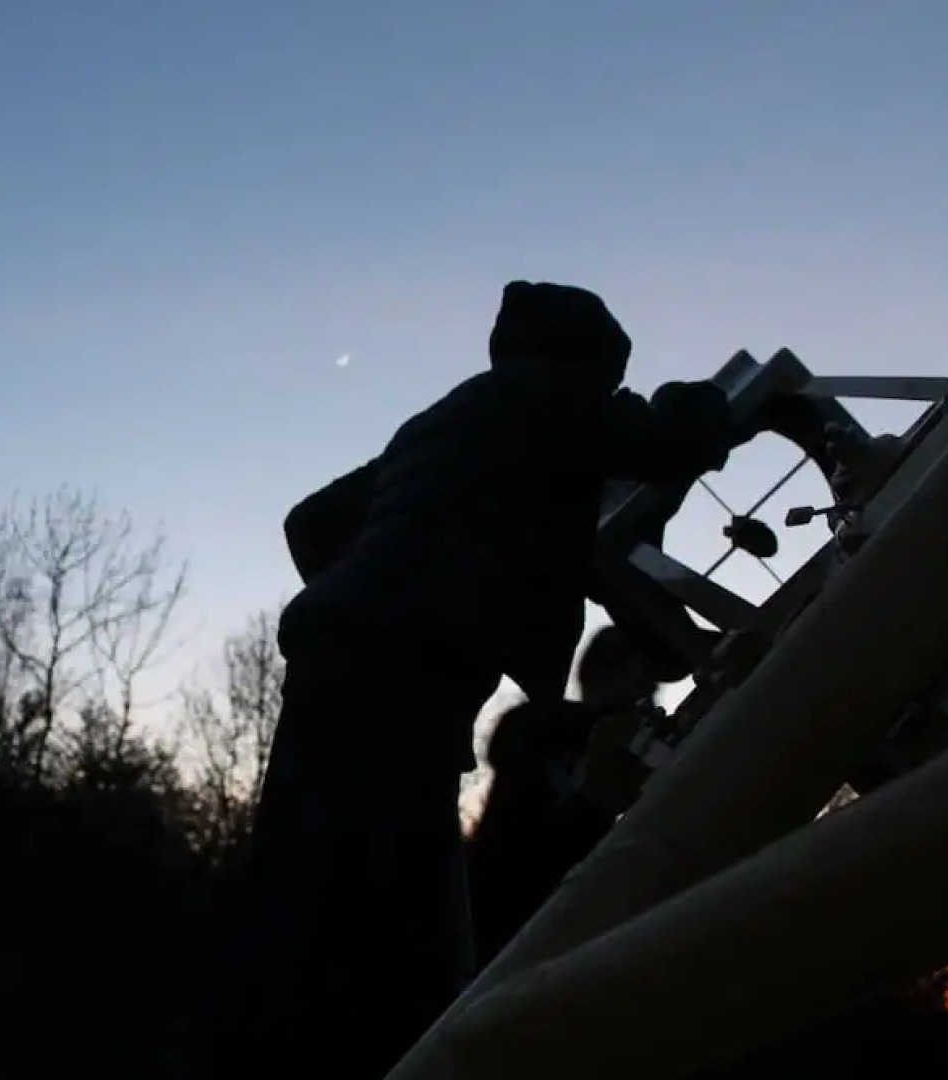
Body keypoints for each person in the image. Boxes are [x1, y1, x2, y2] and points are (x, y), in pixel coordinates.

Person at [222, 281, 740, 1080]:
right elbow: (676, 440)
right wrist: (702, 401)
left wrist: (385, 579)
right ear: (585, 362)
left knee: (306, 894)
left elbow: (310, 523)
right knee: (388, 907)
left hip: (334, 658)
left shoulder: (450, 422)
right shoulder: (539, 398)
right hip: (403, 674)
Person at [466, 623, 662, 970]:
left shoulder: (541, 723)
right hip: (517, 903)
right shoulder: (553, 727)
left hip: (514, 904)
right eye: (645, 673)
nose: (650, 688)